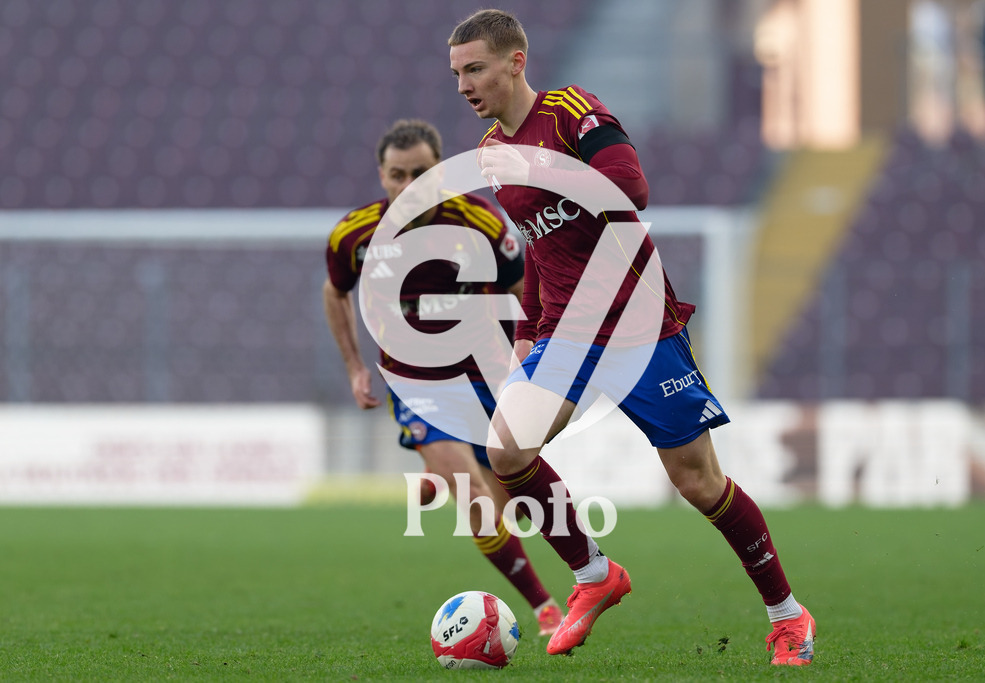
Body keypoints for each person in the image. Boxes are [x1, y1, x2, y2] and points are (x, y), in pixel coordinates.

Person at [448, 10, 816, 665]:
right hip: (564, 332)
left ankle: (788, 614)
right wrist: (530, 330)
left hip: (638, 322)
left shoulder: (571, 114)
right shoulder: (489, 156)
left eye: (474, 69)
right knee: (505, 451)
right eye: (456, 74)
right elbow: (538, 248)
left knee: (699, 482)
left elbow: (633, 190)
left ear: (515, 63)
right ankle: (595, 575)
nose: (463, 85)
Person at [322, 118, 564, 635]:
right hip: (416, 383)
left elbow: (524, 284)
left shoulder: (479, 222)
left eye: (423, 172)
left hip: (484, 375)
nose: (409, 185)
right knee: (473, 497)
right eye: (397, 174)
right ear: (381, 176)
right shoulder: (355, 235)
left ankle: (443, 472)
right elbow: (333, 291)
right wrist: (354, 366)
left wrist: (528, 352)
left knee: (511, 504)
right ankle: (545, 607)